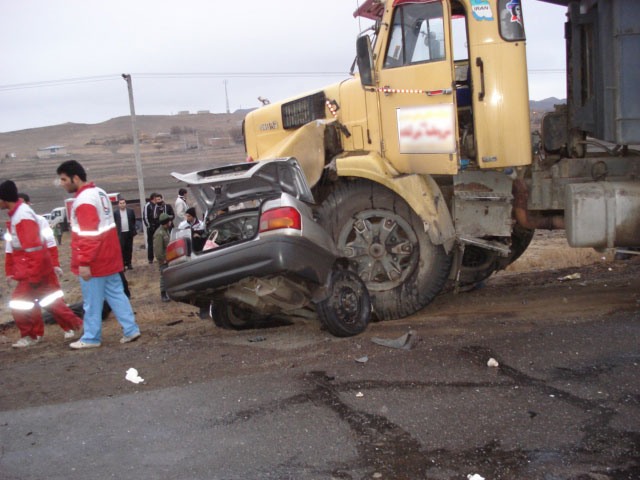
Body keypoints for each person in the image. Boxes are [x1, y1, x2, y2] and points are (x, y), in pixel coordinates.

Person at [56, 159, 141, 349]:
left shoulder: (84, 200)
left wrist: (84, 262)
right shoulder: (100, 193)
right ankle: (130, 329)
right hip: (110, 256)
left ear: (75, 178)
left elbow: (88, 234)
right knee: (117, 294)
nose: (62, 184)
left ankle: (91, 337)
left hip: (95, 261)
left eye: (63, 179)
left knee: (92, 301)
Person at [1, 182, 83, 348]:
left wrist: (31, 274)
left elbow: (33, 247)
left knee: (19, 303)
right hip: (36, 267)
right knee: (50, 302)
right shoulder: (19, 214)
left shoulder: (22, 216)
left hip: (33, 269)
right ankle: (78, 325)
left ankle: (31, 335)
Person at [153, 212, 173, 302]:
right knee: (163, 276)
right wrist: (163, 260)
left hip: (168, 258)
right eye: (169, 220)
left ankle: (169, 293)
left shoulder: (166, 231)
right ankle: (163, 294)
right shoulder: (159, 234)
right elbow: (158, 250)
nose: (170, 222)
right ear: (166, 222)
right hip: (164, 260)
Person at [114, 198, 136, 269]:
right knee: (122, 249)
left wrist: (133, 231)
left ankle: (129, 263)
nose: (122, 204)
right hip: (121, 234)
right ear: (118, 204)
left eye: (123, 203)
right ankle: (122, 264)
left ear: (125, 204)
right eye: (120, 203)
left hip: (129, 232)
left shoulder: (130, 211)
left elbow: (133, 221)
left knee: (129, 248)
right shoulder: (116, 213)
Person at [142, 192, 157, 264]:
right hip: (151, 227)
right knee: (150, 243)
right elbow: (145, 217)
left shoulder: (158, 205)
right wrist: (149, 226)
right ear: (153, 198)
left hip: (158, 227)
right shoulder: (148, 205)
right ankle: (150, 258)